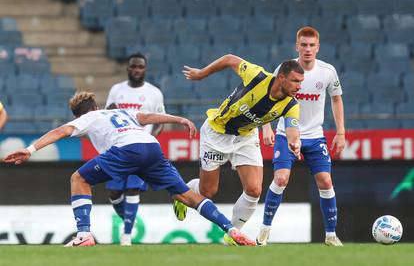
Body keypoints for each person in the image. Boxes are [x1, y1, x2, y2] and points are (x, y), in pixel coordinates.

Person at [3, 92, 256, 247]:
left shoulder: (88, 117)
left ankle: (84, 234)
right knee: (186, 195)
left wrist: (31, 149)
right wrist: (179, 119)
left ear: (79, 113)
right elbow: (147, 118)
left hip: (127, 150)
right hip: (152, 147)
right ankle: (231, 229)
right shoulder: (121, 111)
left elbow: (61, 131)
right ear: (95, 104)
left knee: (78, 178)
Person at [174, 54, 304, 246]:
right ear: (281, 78)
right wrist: (202, 74)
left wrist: (295, 143)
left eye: (301, 82)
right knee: (207, 191)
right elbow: (229, 59)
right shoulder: (257, 76)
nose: (299, 86)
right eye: (295, 81)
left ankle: (232, 235)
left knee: (254, 190)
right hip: (216, 133)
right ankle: (185, 192)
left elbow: (293, 131)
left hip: (246, 137)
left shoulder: (292, 105)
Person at [256, 26, 345, 247]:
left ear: (318, 47)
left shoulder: (327, 72)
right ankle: (264, 231)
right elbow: (268, 97)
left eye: (311, 45)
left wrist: (341, 132)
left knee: (325, 181)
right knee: (281, 178)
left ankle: (331, 236)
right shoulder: (284, 69)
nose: (307, 49)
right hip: (286, 134)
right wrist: (266, 126)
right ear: (297, 46)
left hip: (315, 136)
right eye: (303, 45)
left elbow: (336, 99)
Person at [105, 52, 166, 246]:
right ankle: (128, 221)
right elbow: (109, 113)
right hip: (119, 147)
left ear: (145, 69)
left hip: (140, 149)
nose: (137, 70)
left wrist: (149, 138)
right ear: (128, 68)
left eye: (140, 67)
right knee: (114, 193)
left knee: (133, 189)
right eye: (133, 66)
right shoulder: (116, 90)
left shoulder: (154, 93)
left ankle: (127, 235)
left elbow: (160, 121)